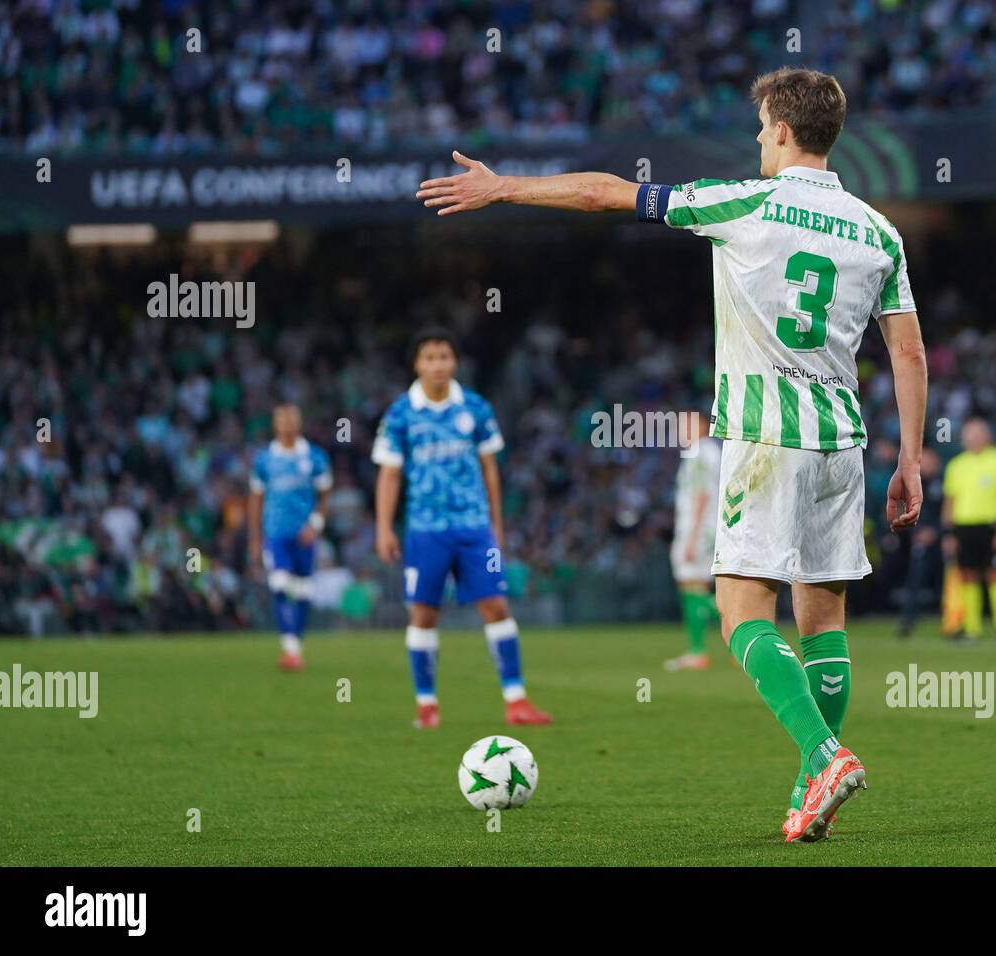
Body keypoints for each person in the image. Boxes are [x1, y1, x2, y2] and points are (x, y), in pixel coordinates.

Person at [415, 66, 927, 842]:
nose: (758, 137)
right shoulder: (878, 230)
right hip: (844, 447)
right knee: (824, 620)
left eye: (762, 127)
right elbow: (911, 355)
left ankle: (822, 756)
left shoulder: (746, 202)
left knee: (739, 610)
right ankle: (808, 789)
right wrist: (913, 458)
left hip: (766, 441)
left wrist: (506, 187)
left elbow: (603, 194)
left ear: (784, 131)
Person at [372, 328, 551, 729]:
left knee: (497, 606)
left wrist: (496, 526)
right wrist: (383, 528)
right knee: (422, 612)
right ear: (417, 364)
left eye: (444, 356)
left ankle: (516, 701)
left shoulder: (476, 408)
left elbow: (490, 469)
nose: (438, 365)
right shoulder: (401, 414)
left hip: (475, 529)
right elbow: (389, 475)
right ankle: (426, 705)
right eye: (430, 357)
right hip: (425, 530)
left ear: (455, 362)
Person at [248, 404, 332, 671]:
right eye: (282, 420)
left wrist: (316, 525)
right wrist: (254, 538)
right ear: (275, 425)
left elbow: (324, 495)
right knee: (280, 582)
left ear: (299, 423)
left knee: (304, 589)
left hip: (304, 534)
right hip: (276, 533)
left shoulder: (315, 457)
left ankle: (295, 645)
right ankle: (290, 649)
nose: (287, 425)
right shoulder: (264, 459)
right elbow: (255, 499)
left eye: (292, 420)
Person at [941, 417, 996, 641]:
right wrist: (948, 533)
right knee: (968, 576)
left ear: (987, 436)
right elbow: (950, 501)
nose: (971, 438)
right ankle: (973, 628)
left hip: (991, 525)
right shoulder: (956, 465)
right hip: (964, 527)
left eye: (976, 433)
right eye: (968, 434)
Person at [665, 411, 722, 671]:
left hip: (698, 528)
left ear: (701, 425)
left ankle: (741, 625)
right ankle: (698, 650)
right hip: (703, 527)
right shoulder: (709, 452)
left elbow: (702, 495)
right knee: (694, 587)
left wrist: (692, 536)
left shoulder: (700, 453)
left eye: (685, 424)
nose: (680, 430)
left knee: (692, 584)